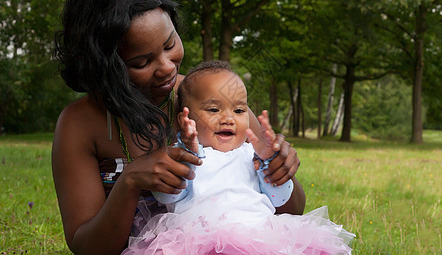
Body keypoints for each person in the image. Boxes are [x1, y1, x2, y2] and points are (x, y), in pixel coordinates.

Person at [52, 0, 305, 254]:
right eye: (141, 62)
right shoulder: (80, 124)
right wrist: (130, 182)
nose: (167, 67)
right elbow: (86, 246)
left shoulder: (212, 98)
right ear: (104, 67)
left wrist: (280, 170)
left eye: (170, 44)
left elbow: (291, 212)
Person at [122, 60, 355, 254]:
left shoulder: (251, 156)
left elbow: (278, 199)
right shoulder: (187, 156)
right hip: (200, 242)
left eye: (239, 110)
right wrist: (187, 153)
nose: (228, 118)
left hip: (261, 237)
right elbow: (166, 196)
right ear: (187, 119)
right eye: (214, 110)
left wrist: (269, 163)